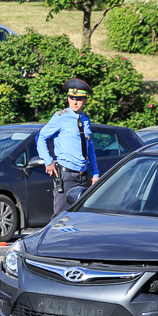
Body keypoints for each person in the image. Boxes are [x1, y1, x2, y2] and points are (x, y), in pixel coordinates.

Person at [38, 78, 99, 218]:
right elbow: (41, 137)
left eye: (78, 99)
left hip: (84, 175)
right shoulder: (60, 117)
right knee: (61, 217)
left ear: (85, 100)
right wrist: (48, 161)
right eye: (72, 98)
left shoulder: (85, 119)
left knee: (81, 217)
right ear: (68, 99)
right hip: (66, 175)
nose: (75, 102)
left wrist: (95, 173)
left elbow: (89, 148)